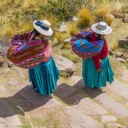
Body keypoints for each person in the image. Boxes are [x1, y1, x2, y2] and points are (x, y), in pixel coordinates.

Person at [28, 20, 60, 96]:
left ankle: (38, 86)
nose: (45, 35)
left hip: (36, 62)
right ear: (40, 32)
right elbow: (44, 56)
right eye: (44, 33)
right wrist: (48, 46)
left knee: (37, 77)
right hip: (41, 63)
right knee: (43, 78)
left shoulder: (32, 37)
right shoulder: (38, 42)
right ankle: (43, 89)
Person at [82, 22, 114, 88]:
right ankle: (95, 85)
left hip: (91, 59)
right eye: (104, 32)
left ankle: (92, 82)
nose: (105, 33)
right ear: (101, 33)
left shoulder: (95, 35)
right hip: (97, 61)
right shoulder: (97, 43)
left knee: (92, 74)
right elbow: (96, 57)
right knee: (96, 74)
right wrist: (98, 67)